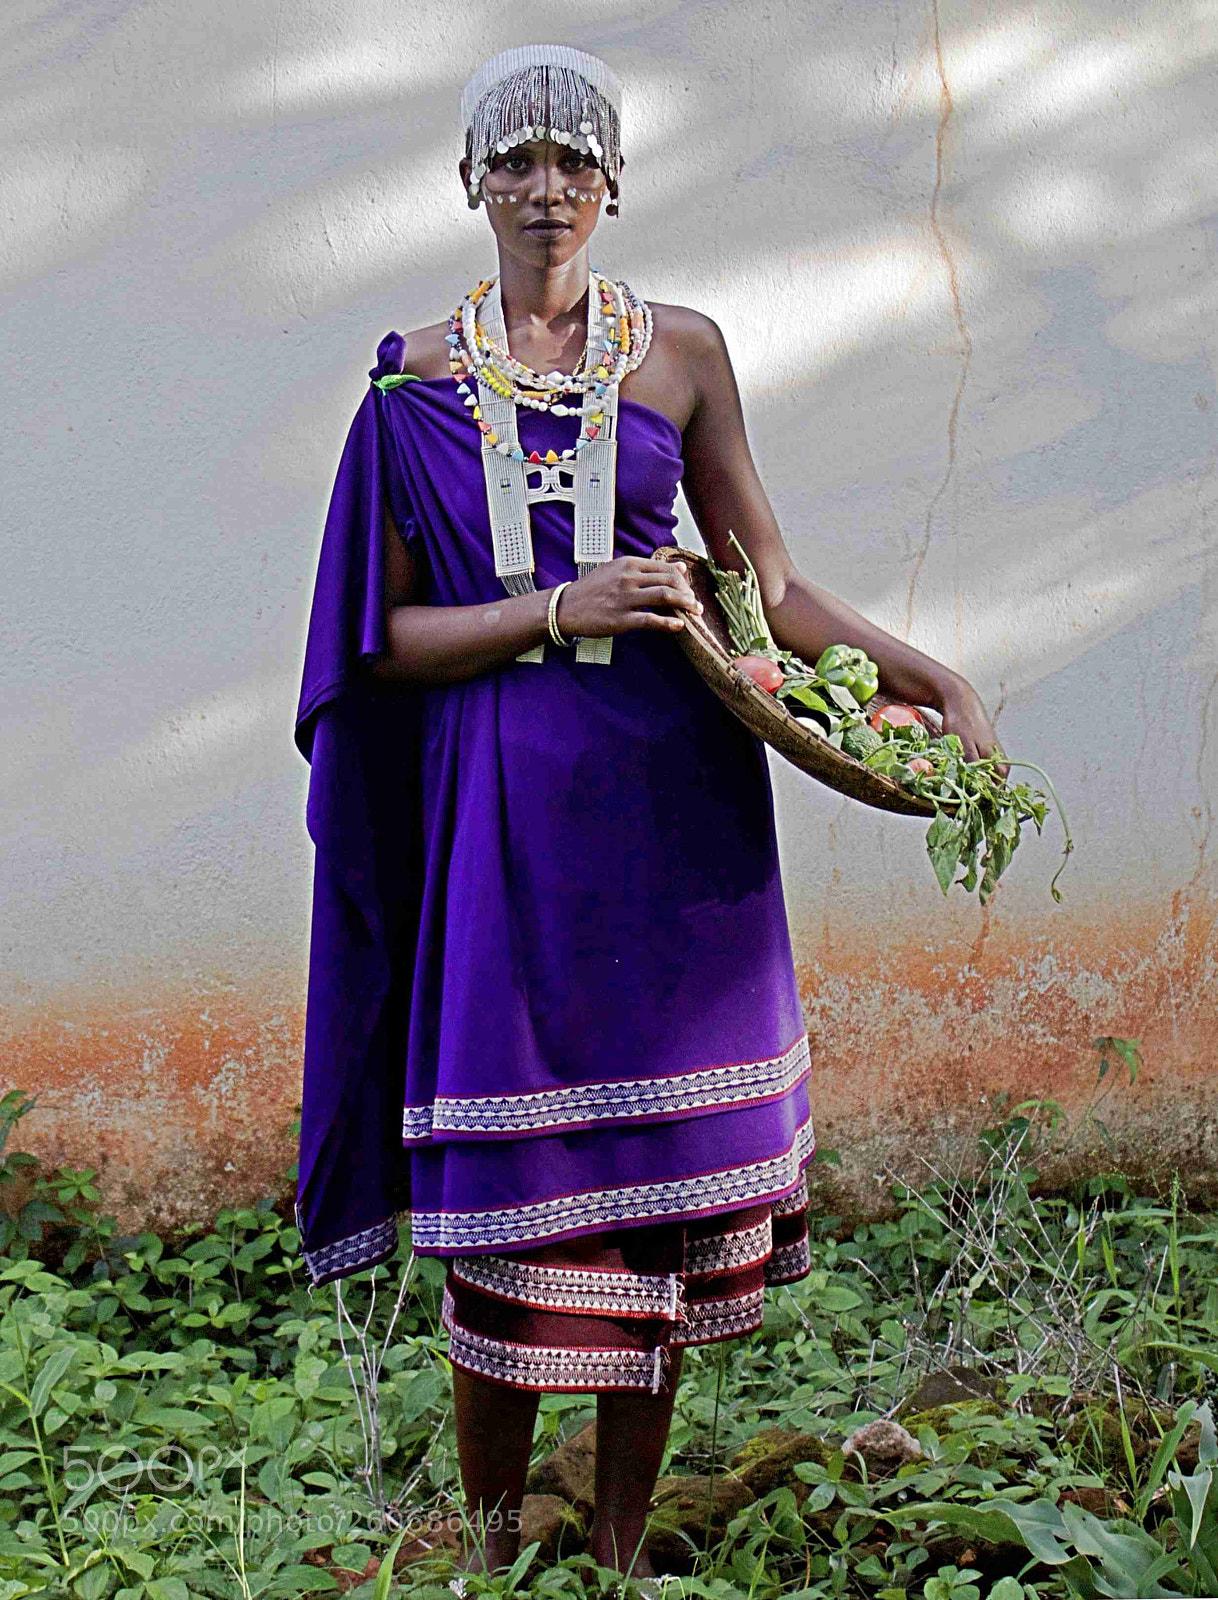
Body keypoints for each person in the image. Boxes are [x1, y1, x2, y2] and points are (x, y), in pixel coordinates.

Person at [292, 43, 1003, 1595]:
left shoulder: (680, 352)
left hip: (677, 808)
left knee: (670, 1207)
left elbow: (768, 586)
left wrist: (931, 677)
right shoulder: (412, 381)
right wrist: (558, 604)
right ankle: (490, 1549)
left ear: (614, 185)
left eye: (573, 161)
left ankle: (614, 1548)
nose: (545, 188)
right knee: (514, 1203)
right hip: (508, 813)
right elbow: (381, 639)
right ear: (469, 185)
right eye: (514, 162)